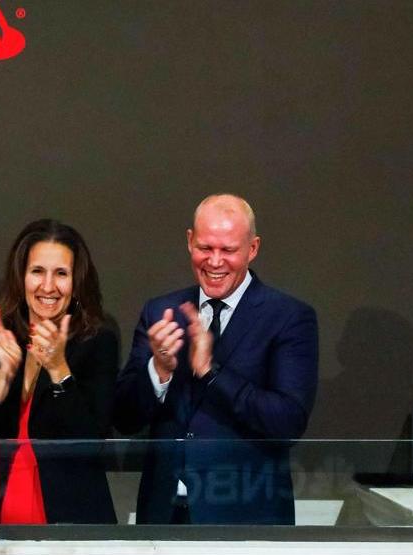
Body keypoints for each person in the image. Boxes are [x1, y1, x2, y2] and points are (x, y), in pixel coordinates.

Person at [112, 194, 318, 524]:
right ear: (189, 241)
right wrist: (159, 371)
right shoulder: (161, 312)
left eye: (228, 250)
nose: (215, 261)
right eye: (205, 248)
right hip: (164, 516)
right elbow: (123, 417)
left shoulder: (288, 317)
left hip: (248, 517)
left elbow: (288, 422)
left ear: (253, 249)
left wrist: (211, 373)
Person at [0, 219, 118, 525]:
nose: (48, 286)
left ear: (77, 282)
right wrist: (3, 378)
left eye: (61, 274)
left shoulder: (97, 342)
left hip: (69, 524)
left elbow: (92, 444)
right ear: (21, 278)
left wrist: (59, 369)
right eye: (37, 272)